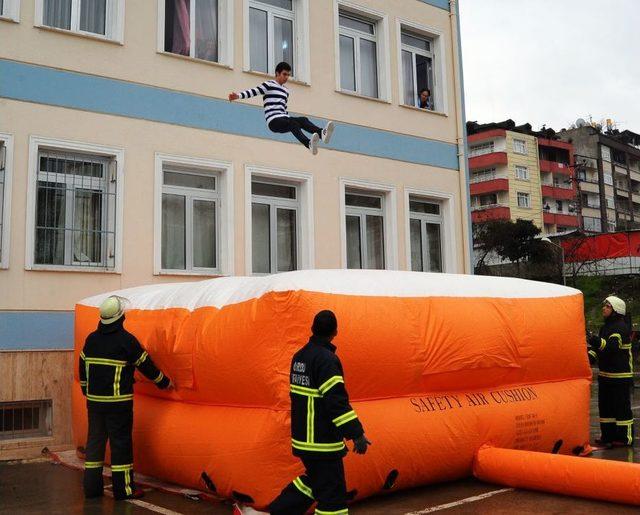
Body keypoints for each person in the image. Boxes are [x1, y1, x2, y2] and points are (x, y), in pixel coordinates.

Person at [236, 310, 370, 515]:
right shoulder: (327, 360)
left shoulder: (299, 357)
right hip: (321, 442)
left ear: (312, 329)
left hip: (303, 440)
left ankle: (273, 513)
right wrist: (356, 434)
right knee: (333, 499)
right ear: (335, 332)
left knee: (314, 483)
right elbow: (336, 402)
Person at [80, 296, 173, 500]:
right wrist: (164, 382)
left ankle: (91, 488)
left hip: (94, 404)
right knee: (120, 445)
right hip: (118, 405)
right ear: (120, 317)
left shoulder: (91, 339)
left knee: (95, 443)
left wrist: (87, 391)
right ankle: (124, 490)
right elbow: (145, 364)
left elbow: (83, 368)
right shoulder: (126, 341)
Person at [229, 62, 334, 155]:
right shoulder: (269, 84)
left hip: (283, 118)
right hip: (273, 121)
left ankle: (321, 133)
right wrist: (238, 95)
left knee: (303, 120)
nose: (286, 77)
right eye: (284, 74)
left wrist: (289, 118)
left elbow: (283, 107)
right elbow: (254, 91)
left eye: (288, 75)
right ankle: (308, 144)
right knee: (294, 123)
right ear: (277, 73)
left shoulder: (285, 91)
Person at [588, 295, 634, 448]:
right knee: (606, 408)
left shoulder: (621, 327)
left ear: (615, 310)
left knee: (621, 409)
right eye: (605, 306)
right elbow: (599, 349)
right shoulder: (605, 327)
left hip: (620, 377)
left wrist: (594, 340)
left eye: (608, 306)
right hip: (605, 376)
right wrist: (589, 358)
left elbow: (610, 348)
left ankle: (624, 438)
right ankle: (608, 436)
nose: (604, 308)